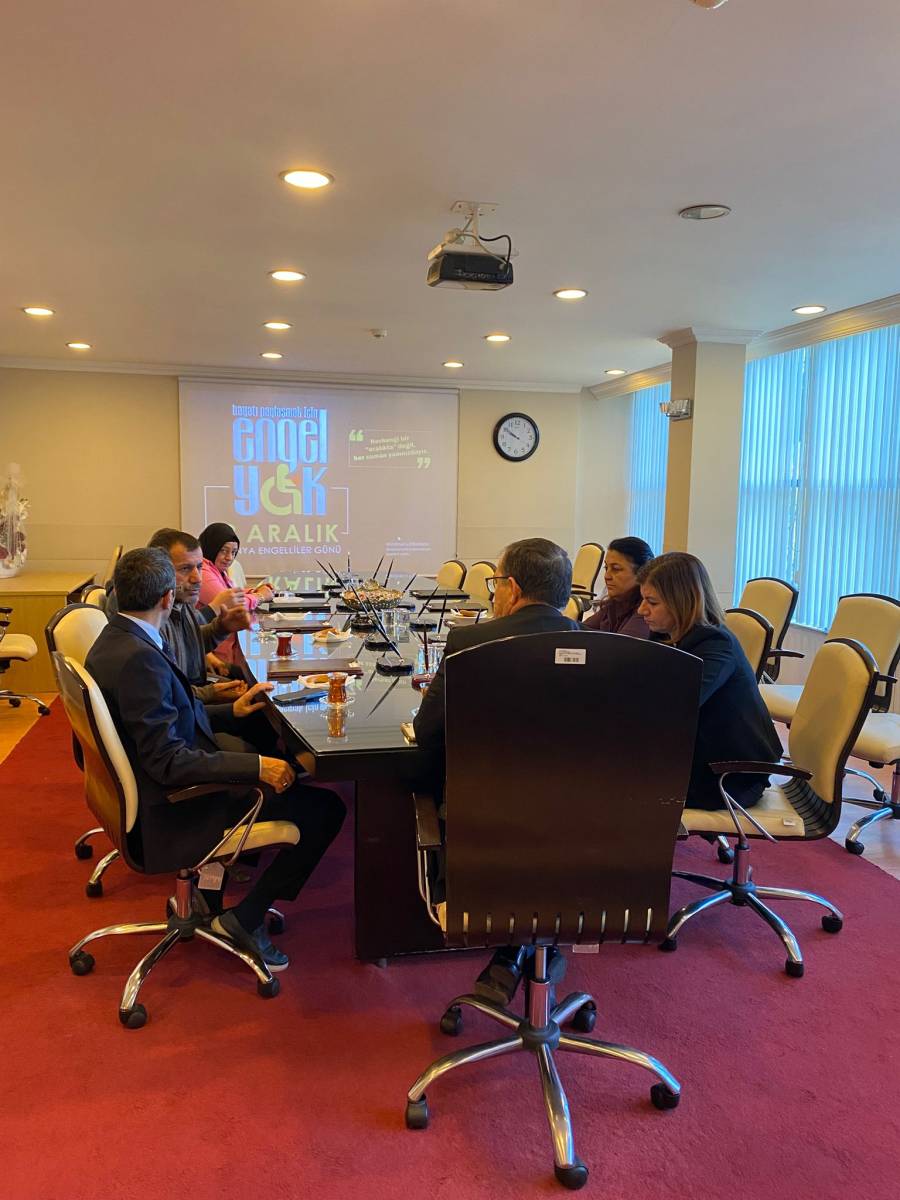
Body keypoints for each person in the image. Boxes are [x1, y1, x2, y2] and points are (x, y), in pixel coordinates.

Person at [86, 548, 346, 972]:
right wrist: (258, 767)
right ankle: (246, 919)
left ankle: (207, 897)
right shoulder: (140, 659)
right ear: (167, 598)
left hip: (151, 792)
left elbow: (168, 717)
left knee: (257, 751)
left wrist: (232, 710)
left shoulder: (115, 639)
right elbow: (170, 762)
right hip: (175, 807)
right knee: (326, 810)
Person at [413, 538, 582, 1007]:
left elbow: (428, 733)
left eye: (495, 583)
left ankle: (517, 943)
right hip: (582, 843)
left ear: (513, 587)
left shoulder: (469, 643)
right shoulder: (605, 650)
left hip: (485, 841)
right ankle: (532, 945)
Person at [636, 551, 782, 812]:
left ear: (682, 602)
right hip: (696, 756)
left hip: (729, 774)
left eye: (652, 602)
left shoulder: (715, 644)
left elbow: (674, 708)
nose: (641, 610)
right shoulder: (667, 635)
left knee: (612, 778)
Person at [198, 523, 274, 665]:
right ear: (212, 547)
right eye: (223, 551)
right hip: (216, 658)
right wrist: (260, 596)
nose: (229, 558)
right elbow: (232, 605)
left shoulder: (216, 569)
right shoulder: (203, 571)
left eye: (233, 552)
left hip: (228, 648)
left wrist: (253, 591)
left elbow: (231, 592)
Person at [582, 536, 654, 637]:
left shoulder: (647, 608)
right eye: (606, 568)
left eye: (616, 569)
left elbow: (622, 644)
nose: (607, 576)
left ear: (641, 572)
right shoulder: (616, 602)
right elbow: (580, 632)